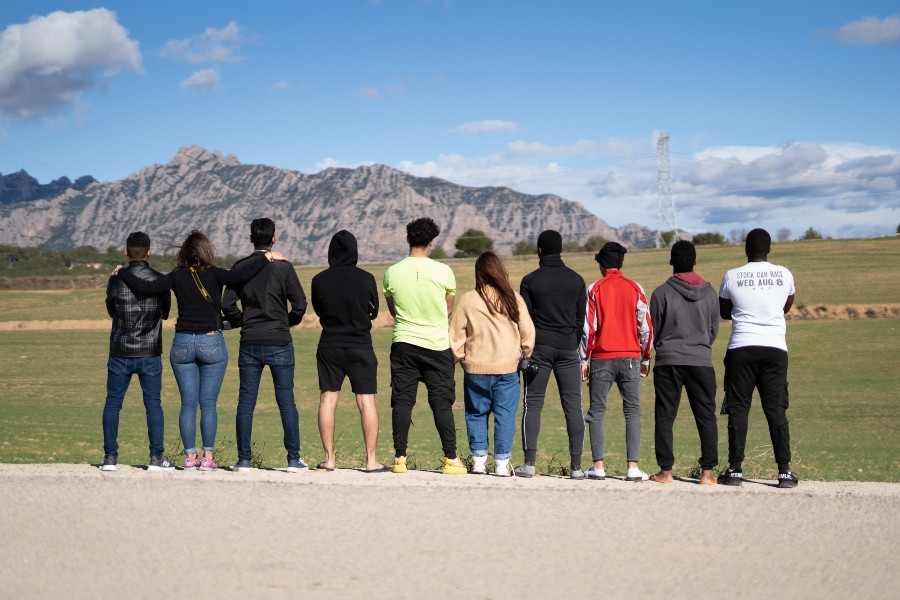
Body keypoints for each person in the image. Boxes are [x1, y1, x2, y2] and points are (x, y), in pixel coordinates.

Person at [116, 229, 278, 471]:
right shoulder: (216, 274)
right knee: (209, 403)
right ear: (206, 251)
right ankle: (208, 459)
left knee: (188, 404)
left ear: (184, 253)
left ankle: (189, 458)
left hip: (182, 344)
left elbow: (147, 287)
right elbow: (240, 274)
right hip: (211, 342)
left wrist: (121, 273)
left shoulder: (176, 276)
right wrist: (266, 256)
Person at [222, 218, 308, 473]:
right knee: (286, 401)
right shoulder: (284, 267)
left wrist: (242, 321)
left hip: (250, 340)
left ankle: (244, 460)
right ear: (274, 239)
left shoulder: (240, 267)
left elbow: (227, 305)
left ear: (250, 239)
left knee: (246, 402)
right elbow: (300, 305)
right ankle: (293, 459)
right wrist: (287, 322)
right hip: (279, 339)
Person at [383, 217, 466, 475]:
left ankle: (400, 459)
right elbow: (448, 310)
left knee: (402, 401)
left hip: (404, 343)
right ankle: (450, 460)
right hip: (436, 344)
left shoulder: (391, 272)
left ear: (407, 238)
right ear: (432, 242)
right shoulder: (444, 272)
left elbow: (394, 311)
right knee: (441, 403)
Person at [718, 228, 797, 488]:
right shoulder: (784, 274)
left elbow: (725, 312)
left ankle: (735, 470)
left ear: (745, 249)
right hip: (775, 347)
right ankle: (784, 471)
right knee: (776, 409)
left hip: (741, 347)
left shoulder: (732, 276)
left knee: (739, 409)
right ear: (770, 249)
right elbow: (785, 306)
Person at [450, 252, 535, 476]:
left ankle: (478, 462)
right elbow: (528, 332)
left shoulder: (469, 299)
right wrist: (525, 354)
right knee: (504, 415)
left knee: (475, 414)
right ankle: (501, 464)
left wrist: (460, 358)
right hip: (507, 368)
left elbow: (456, 334)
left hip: (475, 368)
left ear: (479, 273)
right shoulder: (513, 298)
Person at [310, 230, 386, 472]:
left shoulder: (319, 280)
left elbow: (320, 310)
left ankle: (329, 459)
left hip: (329, 345)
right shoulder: (366, 278)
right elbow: (372, 311)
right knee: (366, 402)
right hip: (361, 345)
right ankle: (371, 461)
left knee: (328, 400)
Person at [515, 230, 587, 479]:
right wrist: (570, 343)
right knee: (573, 406)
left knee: (533, 404)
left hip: (539, 350)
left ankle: (529, 463)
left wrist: (529, 349)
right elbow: (580, 320)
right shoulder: (577, 280)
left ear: (539, 250)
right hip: (568, 349)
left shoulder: (530, 280)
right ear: (561, 249)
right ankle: (576, 467)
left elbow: (525, 321)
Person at [101, 232, 174, 472]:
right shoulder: (159, 281)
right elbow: (165, 313)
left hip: (120, 350)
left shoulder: (115, 280)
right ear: (149, 252)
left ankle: (110, 458)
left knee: (113, 404)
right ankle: (156, 457)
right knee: (153, 404)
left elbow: (111, 311)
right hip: (150, 352)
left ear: (126, 252)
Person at [648, 240, 719, 485]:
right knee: (706, 416)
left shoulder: (659, 293)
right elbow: (712, 330)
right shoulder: (710, 293)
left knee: (665, 416)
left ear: (671, 262)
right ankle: (707, 474)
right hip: (701, 361)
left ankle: (665, 472)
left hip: (668, 361)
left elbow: (653, 331)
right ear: (695, 262)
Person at [580, 242, 653, 482]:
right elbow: (646, 326)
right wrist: (645, 357)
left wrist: (584, 358)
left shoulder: (595, 288)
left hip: (601, 357)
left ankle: (598, 466)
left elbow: (589, 329)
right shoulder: (635, 287)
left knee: (597, 411)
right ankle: (632, 468)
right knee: (632, 411)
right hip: (631, 357)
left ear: (602, 265)